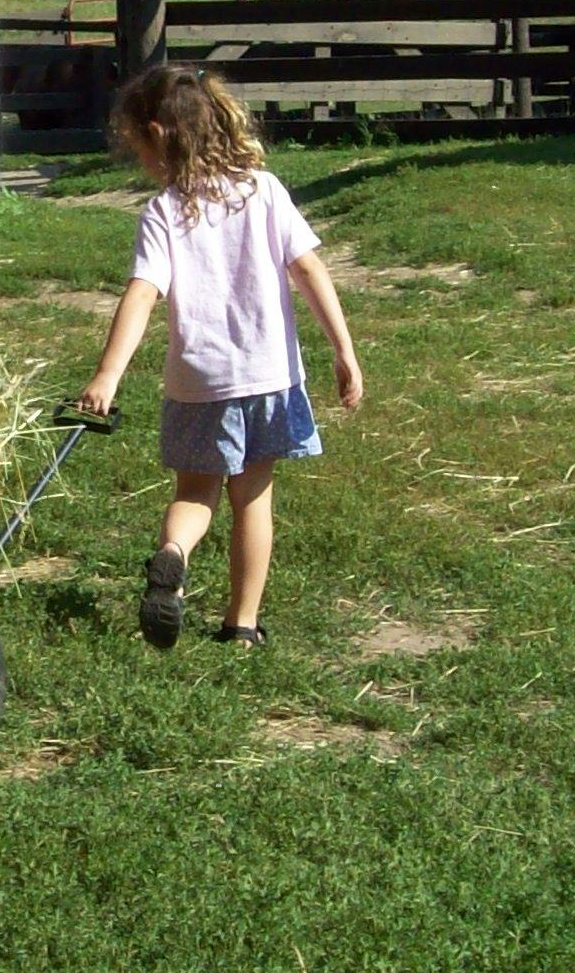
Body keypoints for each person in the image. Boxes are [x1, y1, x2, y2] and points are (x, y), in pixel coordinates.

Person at [75, 65, 363, 649]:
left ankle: (173, 555)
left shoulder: (163, 211)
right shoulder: (264, 191)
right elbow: (308, 268)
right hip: (267, 377)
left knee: (195, 492)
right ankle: (242, 625)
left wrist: (108, 375)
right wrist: (344, 350)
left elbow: (142, 292)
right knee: (253, 499)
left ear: (158, 136)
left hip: (198, 383)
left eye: (138, 149)